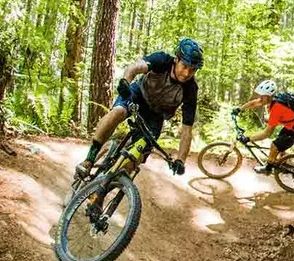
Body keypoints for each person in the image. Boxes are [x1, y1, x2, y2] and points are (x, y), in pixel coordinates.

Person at [77, 38, 203, 177]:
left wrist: (181, 160)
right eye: (184, 66)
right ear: (176, 59)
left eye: (192, 70)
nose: (187, 73)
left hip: (156, 115)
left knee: (135, 159)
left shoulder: (191, 89)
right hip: (138, 95)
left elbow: (187, 130)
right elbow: (135, 67)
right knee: (118, 112)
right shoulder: (162, 60)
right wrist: (125, 81)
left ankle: (108, 184)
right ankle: (90, 158)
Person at [234, 80, 294, 173]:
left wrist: (248, 139)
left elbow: (267, 133)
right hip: (291, 127)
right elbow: (254, 103)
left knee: (274, 146)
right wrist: (239, 109)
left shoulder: (277, 108)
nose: (260, 98)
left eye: (262, 96)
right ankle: (285, 164)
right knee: (280, 147)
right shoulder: (273, 100)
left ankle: (268, 169)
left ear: (269, 96)